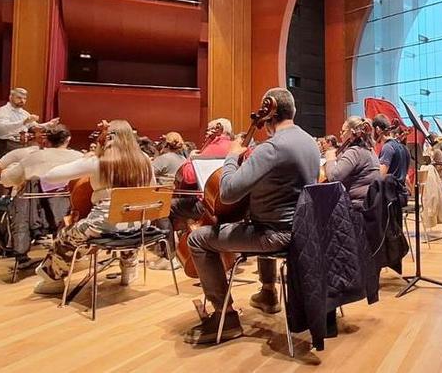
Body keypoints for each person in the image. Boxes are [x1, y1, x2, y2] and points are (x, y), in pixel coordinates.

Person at [184, 88, 320, 345]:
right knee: (256, 217)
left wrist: (231, 158)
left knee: (198, 239)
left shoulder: (273, 148)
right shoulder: (308, 142)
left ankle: (226, 317)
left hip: (275, 234)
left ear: (270, 113)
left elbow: (228, 192)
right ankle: (268, 292)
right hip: (303, 229)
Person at [32, 120, 154, 294]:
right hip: (140, 223)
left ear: (107, 139)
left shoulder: (99, 161)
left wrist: (88, 157)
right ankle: (129, 269)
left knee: (66, 236)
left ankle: (53, 280)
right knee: (128, 224)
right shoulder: (145, 160)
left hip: (104, 224)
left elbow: (51, 176)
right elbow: (152, 189)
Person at [150, 118, 233, 271]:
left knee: (163, 207)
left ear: (219, 129)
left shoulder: (214, 147)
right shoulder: (236, 147)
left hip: (209, 206)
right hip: (233, 208)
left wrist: (192, 157)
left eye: (210, 129)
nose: (207, 133)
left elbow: (188, 176)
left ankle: (169, 257)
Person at [0, 124, 83, 191]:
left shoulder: (33, 157)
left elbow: (7, 181)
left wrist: (9, 168)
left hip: (34, 209)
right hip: (73, 208)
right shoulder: (80, 158)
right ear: (68, 139)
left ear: (46, 140)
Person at [324, 116, 380, 210]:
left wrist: (330, 160)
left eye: (343, 131)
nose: (341, 135)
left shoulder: (354, 152)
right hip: (370, 206)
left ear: (351, 132)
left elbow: (334, 178)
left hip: (355, 208)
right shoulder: (370, 151)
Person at [0, 88, 57, 155]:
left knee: (41, 153)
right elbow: (1, 130)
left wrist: (48, 124)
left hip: (23, 143)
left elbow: (35, 126)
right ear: (10, 97)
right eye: (19, 98)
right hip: (7, 143)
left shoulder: (24, 113)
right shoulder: (2, 111)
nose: (22, 100)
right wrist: (24, 122)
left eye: (24, 98)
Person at [372, 114, 410, 184]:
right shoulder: (403, 147)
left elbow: (380, 176)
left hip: (391, 192)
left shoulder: (387, 147)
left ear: (377, 129)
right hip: (401, 192)